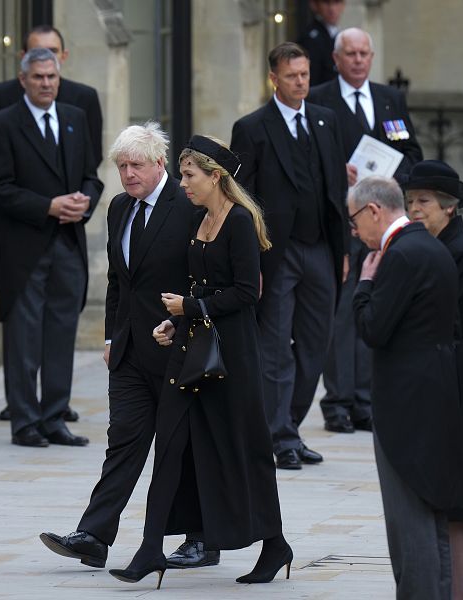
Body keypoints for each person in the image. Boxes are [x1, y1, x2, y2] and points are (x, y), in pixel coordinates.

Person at [110, 136, 288, 588]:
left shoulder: (240, 222)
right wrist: (178, 322)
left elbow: (248, 293)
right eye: (183, 174)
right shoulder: (201, 219)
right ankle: (150, 549)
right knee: (168, 448)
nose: (183, 182)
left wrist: (189, 310)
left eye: (190, 175)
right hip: (192, 352)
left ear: (216, 177)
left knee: (246, 450)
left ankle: (274, 545)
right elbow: (201, 287)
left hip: (234, 357)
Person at [41, 123, 214, 570]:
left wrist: (190, 320)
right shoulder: (118, 208)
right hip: (130, 353)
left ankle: (201, 539)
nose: (129, 174)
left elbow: (206, 275)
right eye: (121, 166)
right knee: (123, 441)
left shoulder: (189, 205)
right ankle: (95, 536)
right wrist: (112, 337)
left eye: (137, 164)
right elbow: (118, 280)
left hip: (180, 348)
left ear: (160, 164)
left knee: (185, 447)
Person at [0, 24, 103, 424]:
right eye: (39, 78)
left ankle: (55, 414)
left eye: (52, 77)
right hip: (24, 246)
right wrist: (48, 205)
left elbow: (91, 175)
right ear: (23, 80)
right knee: (24, 338)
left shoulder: (75, 117)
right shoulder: (3, 123)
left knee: (62, 335)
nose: (46, 84)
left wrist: (85, 201)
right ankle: (25, 421)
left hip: (68, 241)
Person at [230, 42, 348, 470]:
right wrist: (251, 262)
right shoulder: (252, 127)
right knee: (275, 348)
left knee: (316, 344)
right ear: (273, 79)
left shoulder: (325, 120)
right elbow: (241, 199)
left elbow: (336, 188)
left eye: (305, 74)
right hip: (275, 254)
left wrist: (344, 251)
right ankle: (278, 436)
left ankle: (290, 427)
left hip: (320, 249)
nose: (301, 82)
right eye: (292, 75)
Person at [350, 175, 463, 599]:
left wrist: (363, 285)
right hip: (436, 390)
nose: (355, 231)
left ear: (374, 211)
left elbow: (374, 329)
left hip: (405, 400)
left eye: (354, 220)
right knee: (428, 509)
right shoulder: (433, 246)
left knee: (408, 515)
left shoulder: (397, 256)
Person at [308, 27, 423, 434]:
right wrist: (335, 169)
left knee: (375, 303)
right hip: (340, 221)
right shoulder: (319, 98)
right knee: (341, 313)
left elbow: (411, 150)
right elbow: (305, 158)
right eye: (350, 53)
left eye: (364, 53)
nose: (357, 60)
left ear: (372, 57)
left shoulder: (390, 99)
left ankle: (364, 399)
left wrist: (393, 176)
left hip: (381, 219)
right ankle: (337, 402)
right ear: (336, 59)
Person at [404, 160, 463, 600]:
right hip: (455, 368)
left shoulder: (457, 251)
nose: (415, 209)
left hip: (460, 373)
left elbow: (447, 320)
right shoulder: (441, 246)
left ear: (449, 207)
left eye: (423, 201)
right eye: (410, 203)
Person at [296, 0, 346, 86]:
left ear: (343, 5)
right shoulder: (309, 38)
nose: (332, 9)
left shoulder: (340, 35)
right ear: (314, 5)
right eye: (326, 3)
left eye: (336, 2)